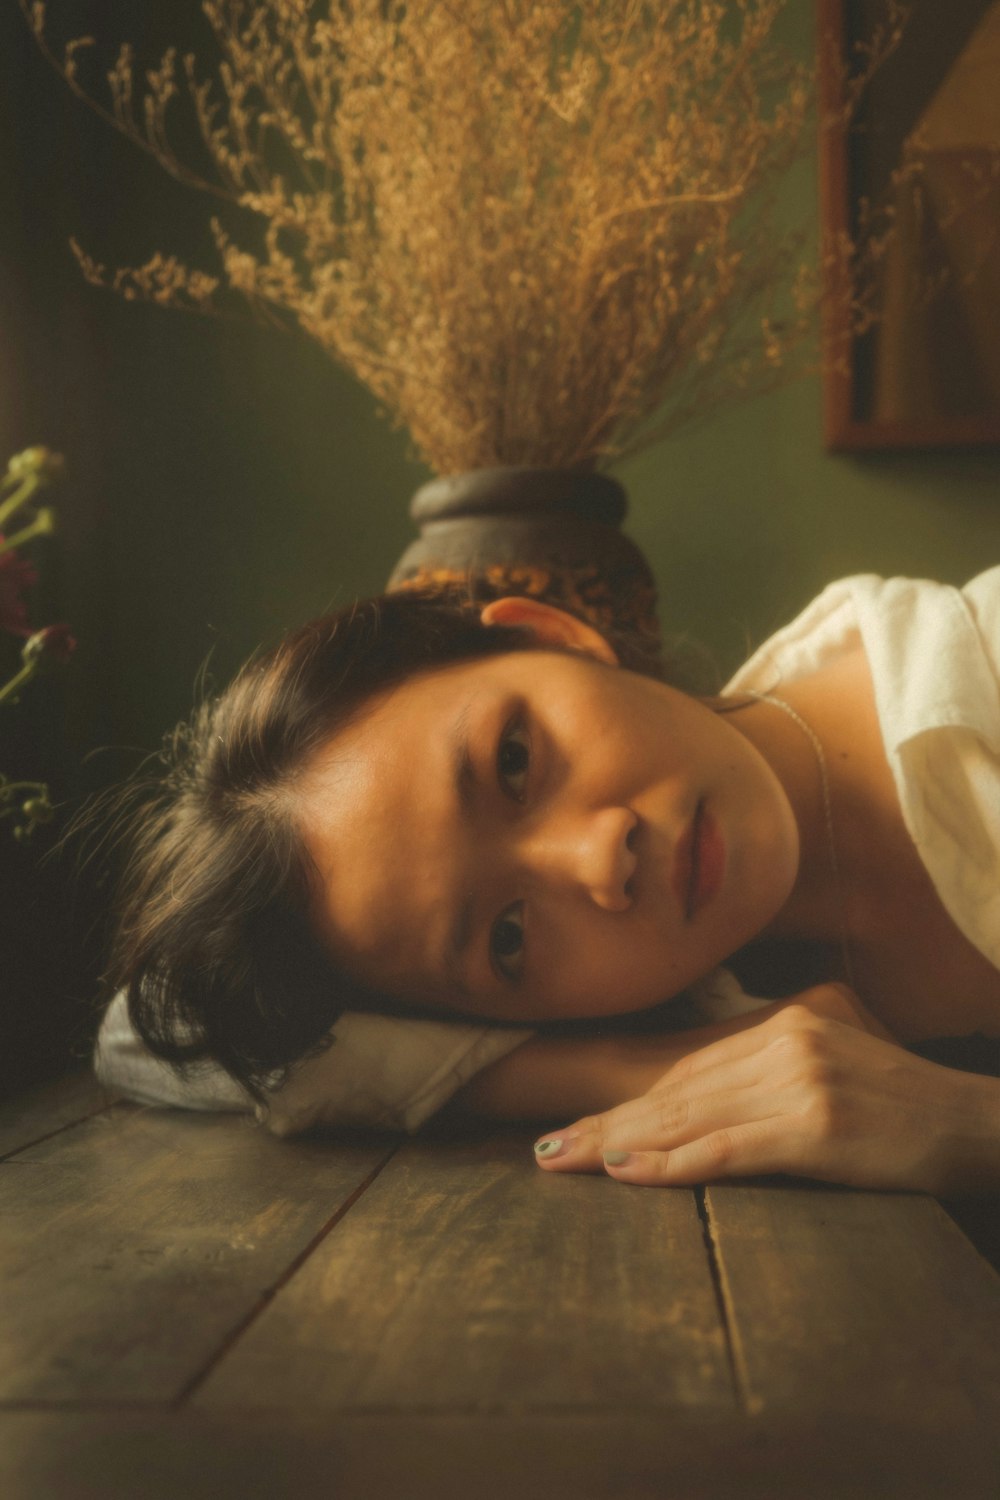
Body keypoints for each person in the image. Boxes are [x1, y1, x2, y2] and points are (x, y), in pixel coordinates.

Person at [95, 567, 1000, 1197]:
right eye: (508, 938)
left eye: (516, 761)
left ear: (549, 634)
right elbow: (143, 1028)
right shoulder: (730, 1013)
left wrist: (964, 1124)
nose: (600, 860)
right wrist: (614, 1069)